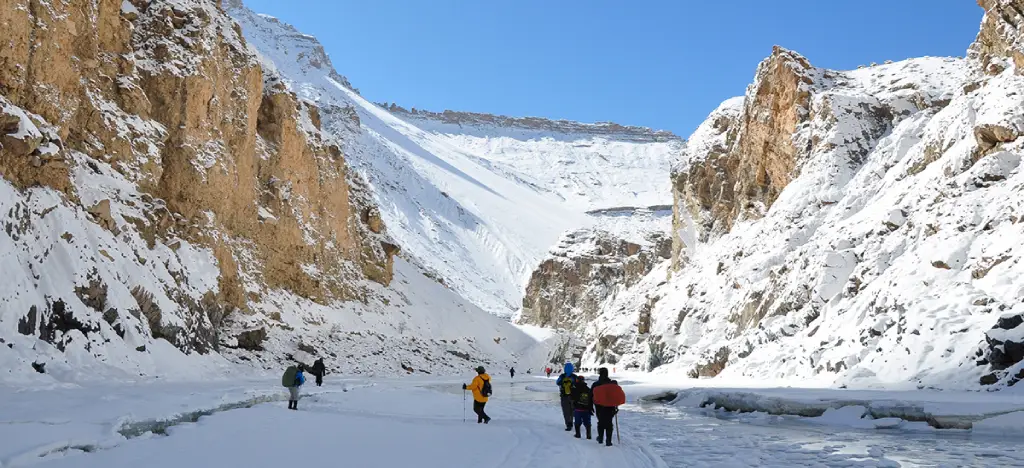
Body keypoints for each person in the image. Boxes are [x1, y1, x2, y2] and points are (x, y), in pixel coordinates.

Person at [592, 367, 617, 446]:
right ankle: (608, 441)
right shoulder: (612, 383)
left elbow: (591, 395)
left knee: (601, 422)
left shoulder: (596, 384)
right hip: (610, 406)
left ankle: (600, 438)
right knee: (609, 422)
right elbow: (615, 395)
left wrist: (590, 406)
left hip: (599, 407)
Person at [571, 375, 594, 439]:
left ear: (577, 380)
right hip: (586, 409)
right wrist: (591, 408)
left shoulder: (574, 388)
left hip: (577, 408)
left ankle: (578, 434)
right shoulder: (588, 389)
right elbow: (591, 399)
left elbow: (572, 397)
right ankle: (588, 435)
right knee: (587, 422)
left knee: (577, 422)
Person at [555, 362, 575, 431]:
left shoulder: (562, 376)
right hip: (573, 396)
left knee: (566, 411)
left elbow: (557, 383)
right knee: (572, 410)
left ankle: (568, 424)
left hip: (564, 396)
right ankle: (572, 422)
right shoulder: (574, 377)